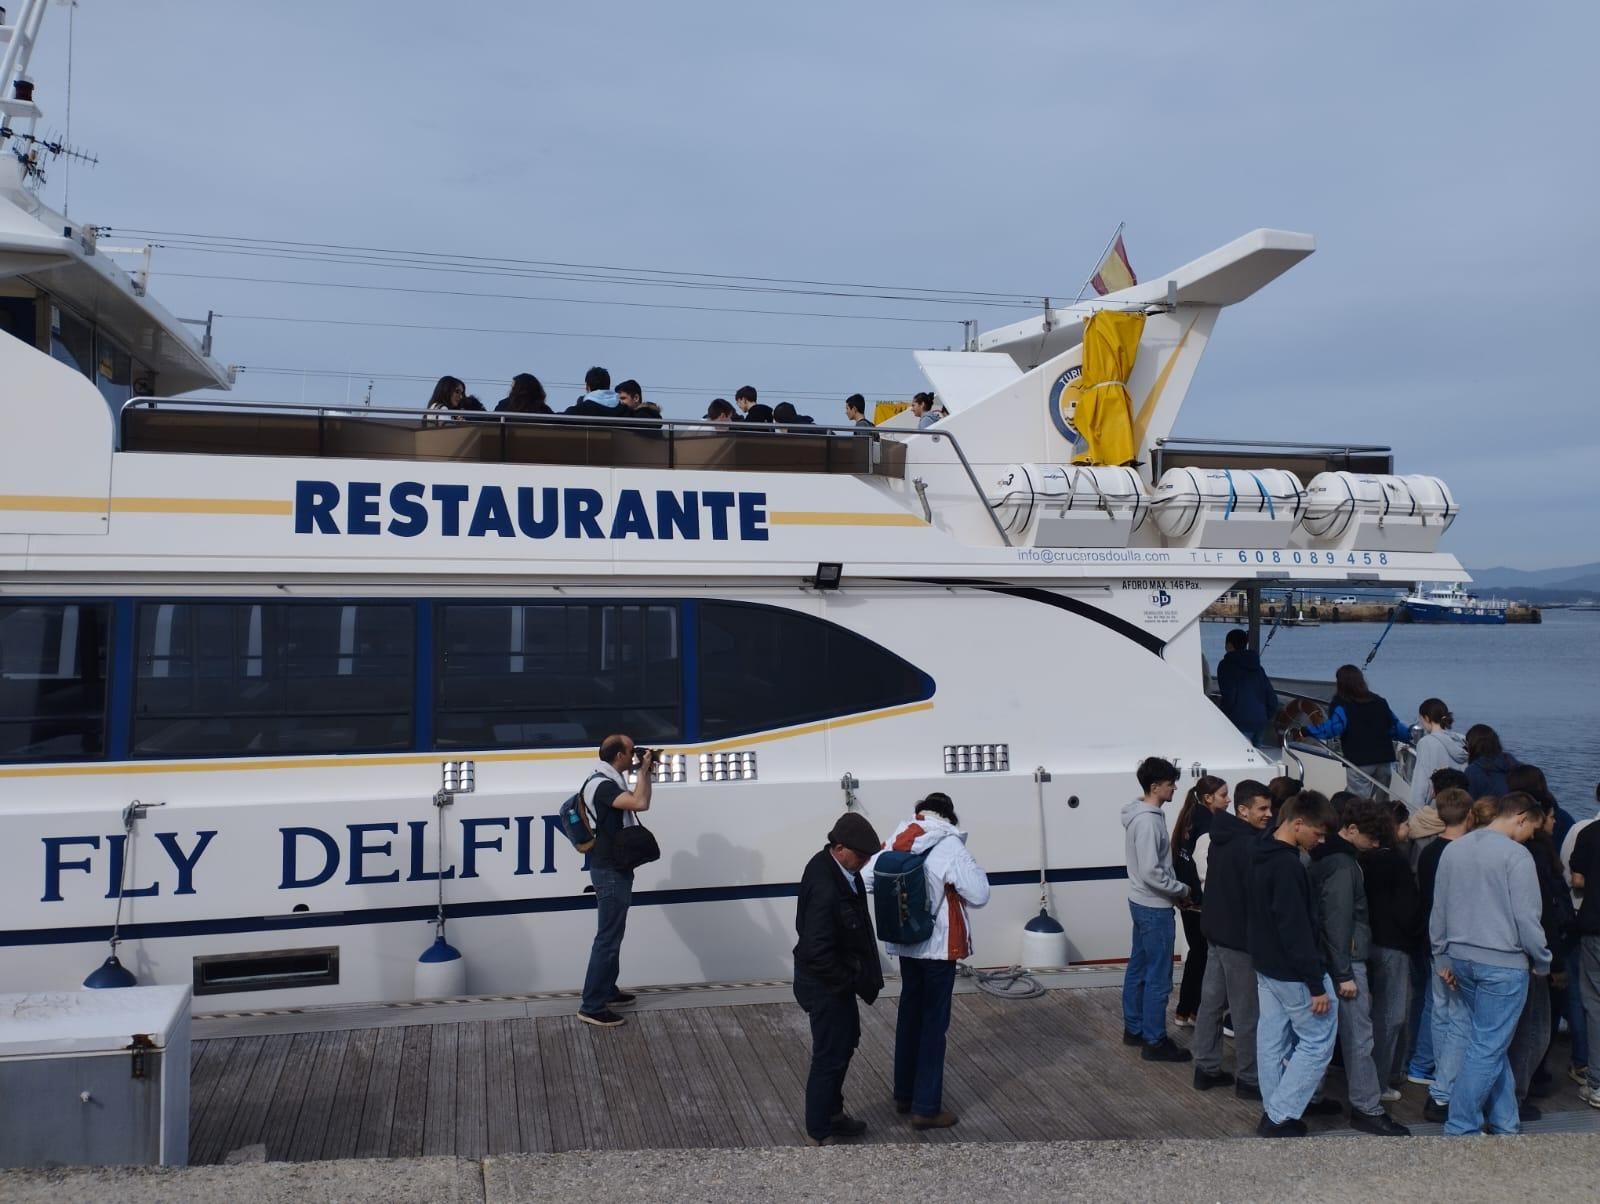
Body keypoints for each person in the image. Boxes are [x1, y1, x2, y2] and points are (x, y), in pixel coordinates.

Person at [862, 793, 989, 1131]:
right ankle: (926, 1107)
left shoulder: (899, 837)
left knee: (909, 1018)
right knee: (934, 1026)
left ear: (921, 811)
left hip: (906, 944)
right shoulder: (949, 845)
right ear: (949, 816)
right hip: (937, 946)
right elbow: (979, 894)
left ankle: (903, 1094)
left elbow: (868, 877)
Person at [1432, 791, 1551, 1136]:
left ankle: (1506, 1124)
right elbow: (1528, 919)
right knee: (1487, 1047)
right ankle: (1461, 1126)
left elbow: (1439, 908)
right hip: (1503, 963)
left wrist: (1441, 955)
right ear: (1521, 818)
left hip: (1461, 957)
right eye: (1533, 828)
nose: (1532, 836)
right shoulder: (1517, 856)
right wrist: (1542, 961)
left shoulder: (1454, 848)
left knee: (1488, 1043)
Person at [1310, 796, 1410, 1135]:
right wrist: (1344, 972)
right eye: (1372, 837)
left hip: (1331, 959)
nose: (1376, 844)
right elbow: (1339, 920)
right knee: (1360, 1036)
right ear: (1351, 830)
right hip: (1348, 961)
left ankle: (1310, 1097)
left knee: (1319, 1035)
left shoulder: (1327, 858)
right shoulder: (1344, 865)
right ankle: (1367, 1106)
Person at [1248, 791, 1341, 1137]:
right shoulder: (1288, 866)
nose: (1319, 841)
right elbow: (1296, 928)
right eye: (1317, 833)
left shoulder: (1260, 849)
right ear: (1298, 823)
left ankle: (1274, 1108)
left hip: (1265, 963)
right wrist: (1316, 983)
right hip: (1293, 971)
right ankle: (1280, 1114)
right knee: (1318, 1039)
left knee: (1271, 1039)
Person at [794, 812, 884, 1145]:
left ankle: (832, 1114)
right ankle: (820, 1127)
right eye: (861, 856)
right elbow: (816, 949)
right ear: (840, 847)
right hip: (826, 985)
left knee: (844, 1043)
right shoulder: (828, 886)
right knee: (830, 1053)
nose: (864, 863)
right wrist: (850, 979)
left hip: (833, 982)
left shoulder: (836, 868)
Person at [1193, 778, 1274, 1098]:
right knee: (1246, 1012)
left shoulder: (1221, 836)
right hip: (1239, 939)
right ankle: (1250, 1078)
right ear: (1243, 810)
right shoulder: (1252, 846)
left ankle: (1206, 1066)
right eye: (1263, 809)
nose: (1269, 814)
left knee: (1211, 1002)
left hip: (1215, 930)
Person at [577, 736, 656, 1027]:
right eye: (632, 751)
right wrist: (644, 770)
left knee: (613, 934)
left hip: (614, 866)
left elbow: (641, 802)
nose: (634, 755)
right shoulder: (602, 785)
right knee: (607, 938)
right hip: (609, 869)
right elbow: (639, 802)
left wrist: (644, 771)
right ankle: (592, 1005)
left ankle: (607, 990)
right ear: (620, 755)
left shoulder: (608, 779)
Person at [1120, 757, 1193, 1061]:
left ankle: (1134, 1028)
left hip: (1139, 902)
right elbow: (1152, 871)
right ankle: (1154, 1039)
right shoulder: (1150, 821)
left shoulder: (1138, 814)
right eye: (1170, 783)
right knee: (1158, 976)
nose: (1174, 787)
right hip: (1155, 907)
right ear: (1155, 787)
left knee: (1138, 967)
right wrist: (1182, 890)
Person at [1411, 787, 1475, 1116]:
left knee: (1439, 1011)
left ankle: (1439, 1070)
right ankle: (1447, 1084)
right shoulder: (1464, 854)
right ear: (1469, 815)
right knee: (1460, 1015)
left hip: (1431, 938)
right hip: (1454, 941)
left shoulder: (1428, 851)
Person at [1509, 792, 1572, 1116]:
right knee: (1535, 1026)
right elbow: (1544, 913)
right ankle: (1520, 1093)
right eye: (1549, 816)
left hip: (1513, 953)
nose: (1553, 822)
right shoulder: (1534, 858)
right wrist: (1553, 962)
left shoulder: (1513, 854)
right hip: (1536, 956)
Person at [1362, 802, 1424, 1095]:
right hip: (1394, 945)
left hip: (1367, 941)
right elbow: (1408, 909)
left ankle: (1377, 1074)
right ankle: (1378, 1080)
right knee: (1392, 1015)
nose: (1408, 829)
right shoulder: (1396, 863)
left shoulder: (1363, 859)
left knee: (1372, 1013)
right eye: (1404, 824)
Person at [1171, 775, 1230, 1028]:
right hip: (1202, 901)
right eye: (1224, 795)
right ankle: (1195, 1010)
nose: (1228, 800)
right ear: (1208, 798)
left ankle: (1185, 1010)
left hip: (1188, 900)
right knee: (1205, 957)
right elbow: (1206, 866)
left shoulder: (1190, 818)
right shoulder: (1209, 826)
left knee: (1197, 955)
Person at [1300, 665, 1411, 798]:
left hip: (1360, 761)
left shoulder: (1341, 703)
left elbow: (1333, 728)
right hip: (1383, 760)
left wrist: (1307, 730)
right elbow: (1394, 727)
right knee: (1382, 802)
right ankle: (1382, 818)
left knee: (1358, 802)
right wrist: (1411, 736)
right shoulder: (1379, 701)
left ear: (1340, 683)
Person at [1567, 788, 1600, 1110]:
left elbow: (1577, 879)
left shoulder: (1589, 833)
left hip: (1594, 926)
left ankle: (1598, 1081)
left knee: (1594, 1001)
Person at [1215, 630, 1279, 745]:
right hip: (1260, 722)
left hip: (1238, 722)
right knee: (1256, 757)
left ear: (1229, 645)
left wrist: (1221, 717)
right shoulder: (1258, 668)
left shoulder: (1225, 666)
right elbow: (1272, 699)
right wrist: (1264, 717)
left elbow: (1229, 696)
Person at [1410, 699, 1467, 810]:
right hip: (1460, 805)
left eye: (1421, 719)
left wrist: (1415, 812)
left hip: (1437, 806)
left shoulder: (1426, 743)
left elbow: (1421, 782)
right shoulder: (1461, 740)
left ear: (1426, 718)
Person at [1464, 724, 1518, 798]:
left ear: (1472, 745)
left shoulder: (1473, 771)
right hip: (1514, 807)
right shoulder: (1511, 762)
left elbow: (1470, 799)